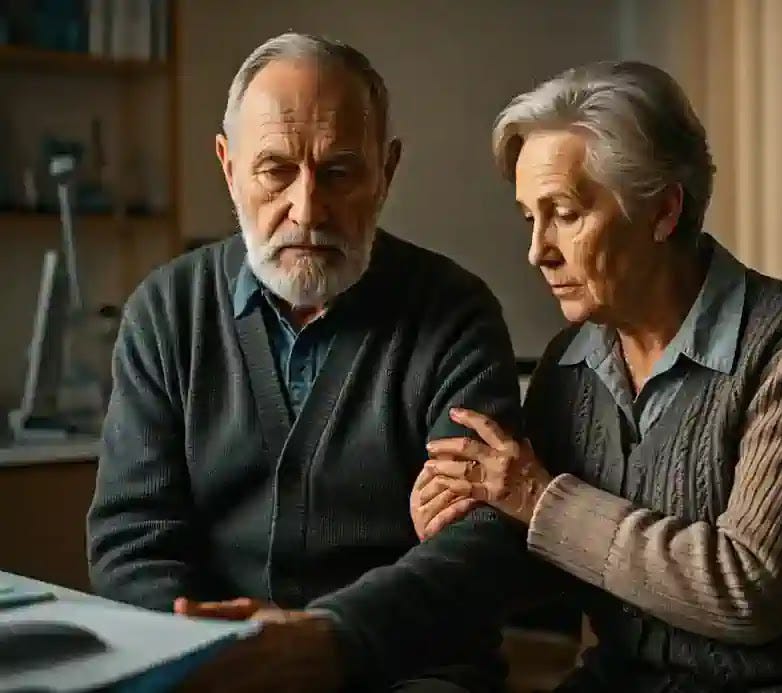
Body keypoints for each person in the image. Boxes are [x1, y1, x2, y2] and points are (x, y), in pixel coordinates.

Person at [412, 61, 782, 691]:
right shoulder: (567, 369)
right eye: (528, 218)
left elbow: (749, 590)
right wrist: (463, 518)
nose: (537, 249)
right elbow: (568, 559)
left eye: (564, 213)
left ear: (663, 210)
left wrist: (537, 499)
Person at [87, 33, 532, 692]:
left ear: (387, 171)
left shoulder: (454, 314)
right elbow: (133, 536)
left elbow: (480, 543)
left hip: (407, 668)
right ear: (228, 167)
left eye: (339, 171)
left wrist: (328, 639)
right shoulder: (166, 312)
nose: (307, 208)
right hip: (211, 663)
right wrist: (209, 651)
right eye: (275, 169)